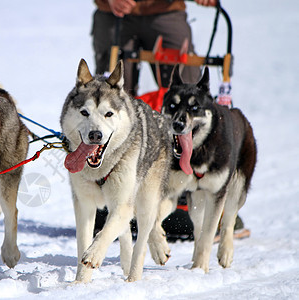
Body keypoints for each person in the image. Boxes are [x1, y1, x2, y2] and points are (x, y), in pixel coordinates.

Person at [91, 0, 248, 242]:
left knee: (189, 97)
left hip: (166, 10)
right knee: (110, 105)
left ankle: (207, 205)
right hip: (113, 14)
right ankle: (110, 201)